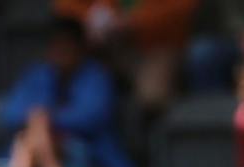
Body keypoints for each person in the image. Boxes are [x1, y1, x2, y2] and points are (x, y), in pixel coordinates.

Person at [0, 18, 135, 167]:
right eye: (56, 45)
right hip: (44, 156)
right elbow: (9, 115)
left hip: (89, 155)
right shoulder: (37, 75)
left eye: (66, 45)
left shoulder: (97, 76)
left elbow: (90, 118)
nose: (61, 51)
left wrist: (47, 120)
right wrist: (40, 121)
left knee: (33, 132)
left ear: (80, 47)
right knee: (34, 130)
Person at [54, 0, 197, 111]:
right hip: (105, 47)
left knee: (152, 97)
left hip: (158, 45)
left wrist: (132, 22)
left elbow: (183, 7)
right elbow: (66, 6)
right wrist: (89, 19)